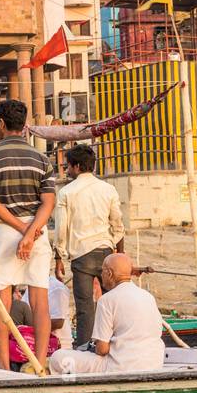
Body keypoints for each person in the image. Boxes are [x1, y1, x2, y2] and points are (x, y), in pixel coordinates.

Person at [0, 98, 56, 369]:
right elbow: (48, 202)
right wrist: (31, 232)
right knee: (40, 300)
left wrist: (23, 231)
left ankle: (3, 364)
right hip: (37, 230)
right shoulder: (42, 158)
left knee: (2, 301)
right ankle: (40, 362)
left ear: (1, 123)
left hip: (5, 230)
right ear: (24, 126)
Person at [53, 144, 124, 350]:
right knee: (113, 302)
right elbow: (118, 224)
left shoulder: (66, 192)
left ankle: (85, 348)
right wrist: (119, 251)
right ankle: (116, 344)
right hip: (106, 252)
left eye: (68, 166)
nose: (66, 170)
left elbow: (61, 229)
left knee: (85, 308)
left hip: (81, 256)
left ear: (76, 166)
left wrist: (59, 257)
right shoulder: (108, 189)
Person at [47, 253, 164, 375]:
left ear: (109, 273)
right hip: (154, 363)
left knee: (59, 357)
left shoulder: (107, 299)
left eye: (102, 271)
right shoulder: (148, 296)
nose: (101, 275)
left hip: (121, 366)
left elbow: (102, 350)